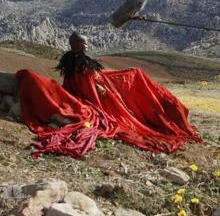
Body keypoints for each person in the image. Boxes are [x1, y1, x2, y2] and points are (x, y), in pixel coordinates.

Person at [16, 33, 202, 158]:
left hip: (85, 92)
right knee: (130, 91)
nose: (87, 45)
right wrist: (100, 88)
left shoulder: (70, 60)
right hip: (93, 97)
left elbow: (86, 80)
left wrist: (98, 83)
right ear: (77, 44)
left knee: (133, 73)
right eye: (84, 42)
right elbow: (90, 82)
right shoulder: (81, 62)